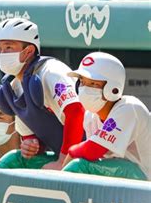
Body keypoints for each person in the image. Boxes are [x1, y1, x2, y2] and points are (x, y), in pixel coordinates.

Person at [0, 18, 85, 170]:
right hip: (66, 156)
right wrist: (31, 144)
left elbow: (75, 111)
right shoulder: (13, 86)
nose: (2, 53)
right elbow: (31, 135)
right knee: (12, 161)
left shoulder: (51, 71)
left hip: (97, 156)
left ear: (28, 51)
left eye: (8, 47)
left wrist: (64, 161)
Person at [62, 52, 150, 180]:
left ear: (113, 88)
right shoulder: (90, 115)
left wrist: (72, 152)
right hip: (122, 177)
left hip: (145, 178)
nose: (84, 88)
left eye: (93, 84)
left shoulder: (129, 107)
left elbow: (93, 150)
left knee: (79, 166)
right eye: (82, 82)